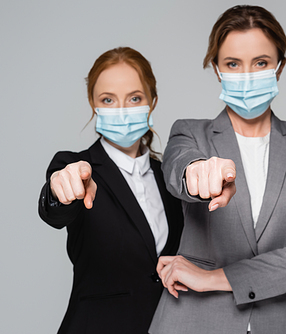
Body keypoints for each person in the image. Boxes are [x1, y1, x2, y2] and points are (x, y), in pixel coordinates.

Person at [148, 5, 286, 334]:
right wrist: (200, 174)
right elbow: (180, 171)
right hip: (194, 323)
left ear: (279, 67)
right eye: (233, 64)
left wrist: (212, 279)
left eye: (260, 63)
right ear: (217, 70)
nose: (247, 75)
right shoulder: (189, 133)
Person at [38, 47, 183, 334]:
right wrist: (60, 189)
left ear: (152, 102)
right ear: (93, 104)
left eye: (134, 98)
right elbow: (56, 210)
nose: (122, 110)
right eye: (108, 99)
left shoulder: (171, 177)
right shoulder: (75, 166)